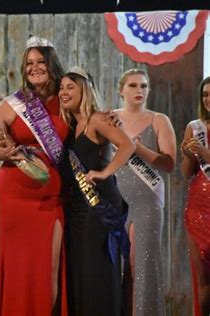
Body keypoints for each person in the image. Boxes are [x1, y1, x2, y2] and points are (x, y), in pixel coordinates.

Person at [0, 36, 69, 315]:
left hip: (49, 199)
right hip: (13, 196)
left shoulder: (68, 98)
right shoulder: (13, 104)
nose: (34, 68)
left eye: (40, 61)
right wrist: (3, 152)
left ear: (51, 63)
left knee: (48, 272)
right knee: (16, 269)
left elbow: (91, 123)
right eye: (29, 63)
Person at [59, 66, 135, 316]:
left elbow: (127, 145)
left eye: (70, 87)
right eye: (61, 88)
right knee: (81, 271)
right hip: (78, 209)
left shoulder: (97, 119)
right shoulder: (72, 126)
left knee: (98, 271)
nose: (63, 92)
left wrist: (105, 172)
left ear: (85, 90)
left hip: (99, 205)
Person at [113, 69, 176, 316]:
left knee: (142, 269)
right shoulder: (109, 119)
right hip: (115, 202)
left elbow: (169, 164)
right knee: (116, 268)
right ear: (121, 90)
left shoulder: (159, 120)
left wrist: (139, 149)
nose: (139, 91)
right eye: (133, 86)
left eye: (143, 86)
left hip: (147, 201)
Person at [181, 76, 210, 316]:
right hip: (198, 208)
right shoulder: (195, 126)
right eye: (205, 94)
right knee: (201, 279)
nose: (208, 99)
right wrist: (189, 155)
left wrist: (204, 152)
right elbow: (186, 172)